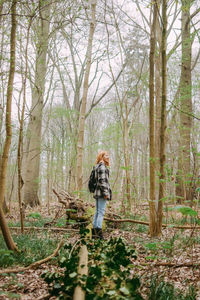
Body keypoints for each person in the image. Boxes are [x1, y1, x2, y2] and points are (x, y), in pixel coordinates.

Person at [92, 150, 112, 239]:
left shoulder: (97, 166)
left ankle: (94, 233)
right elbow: (102, 181)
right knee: (100, 212)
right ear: (102, 157)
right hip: (101, 193)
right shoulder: (102, 167)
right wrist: (105, 193)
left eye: (108, 155)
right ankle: (99, 234)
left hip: (97, 192)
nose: (108, 157)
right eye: (106, 155)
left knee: (97, 212)